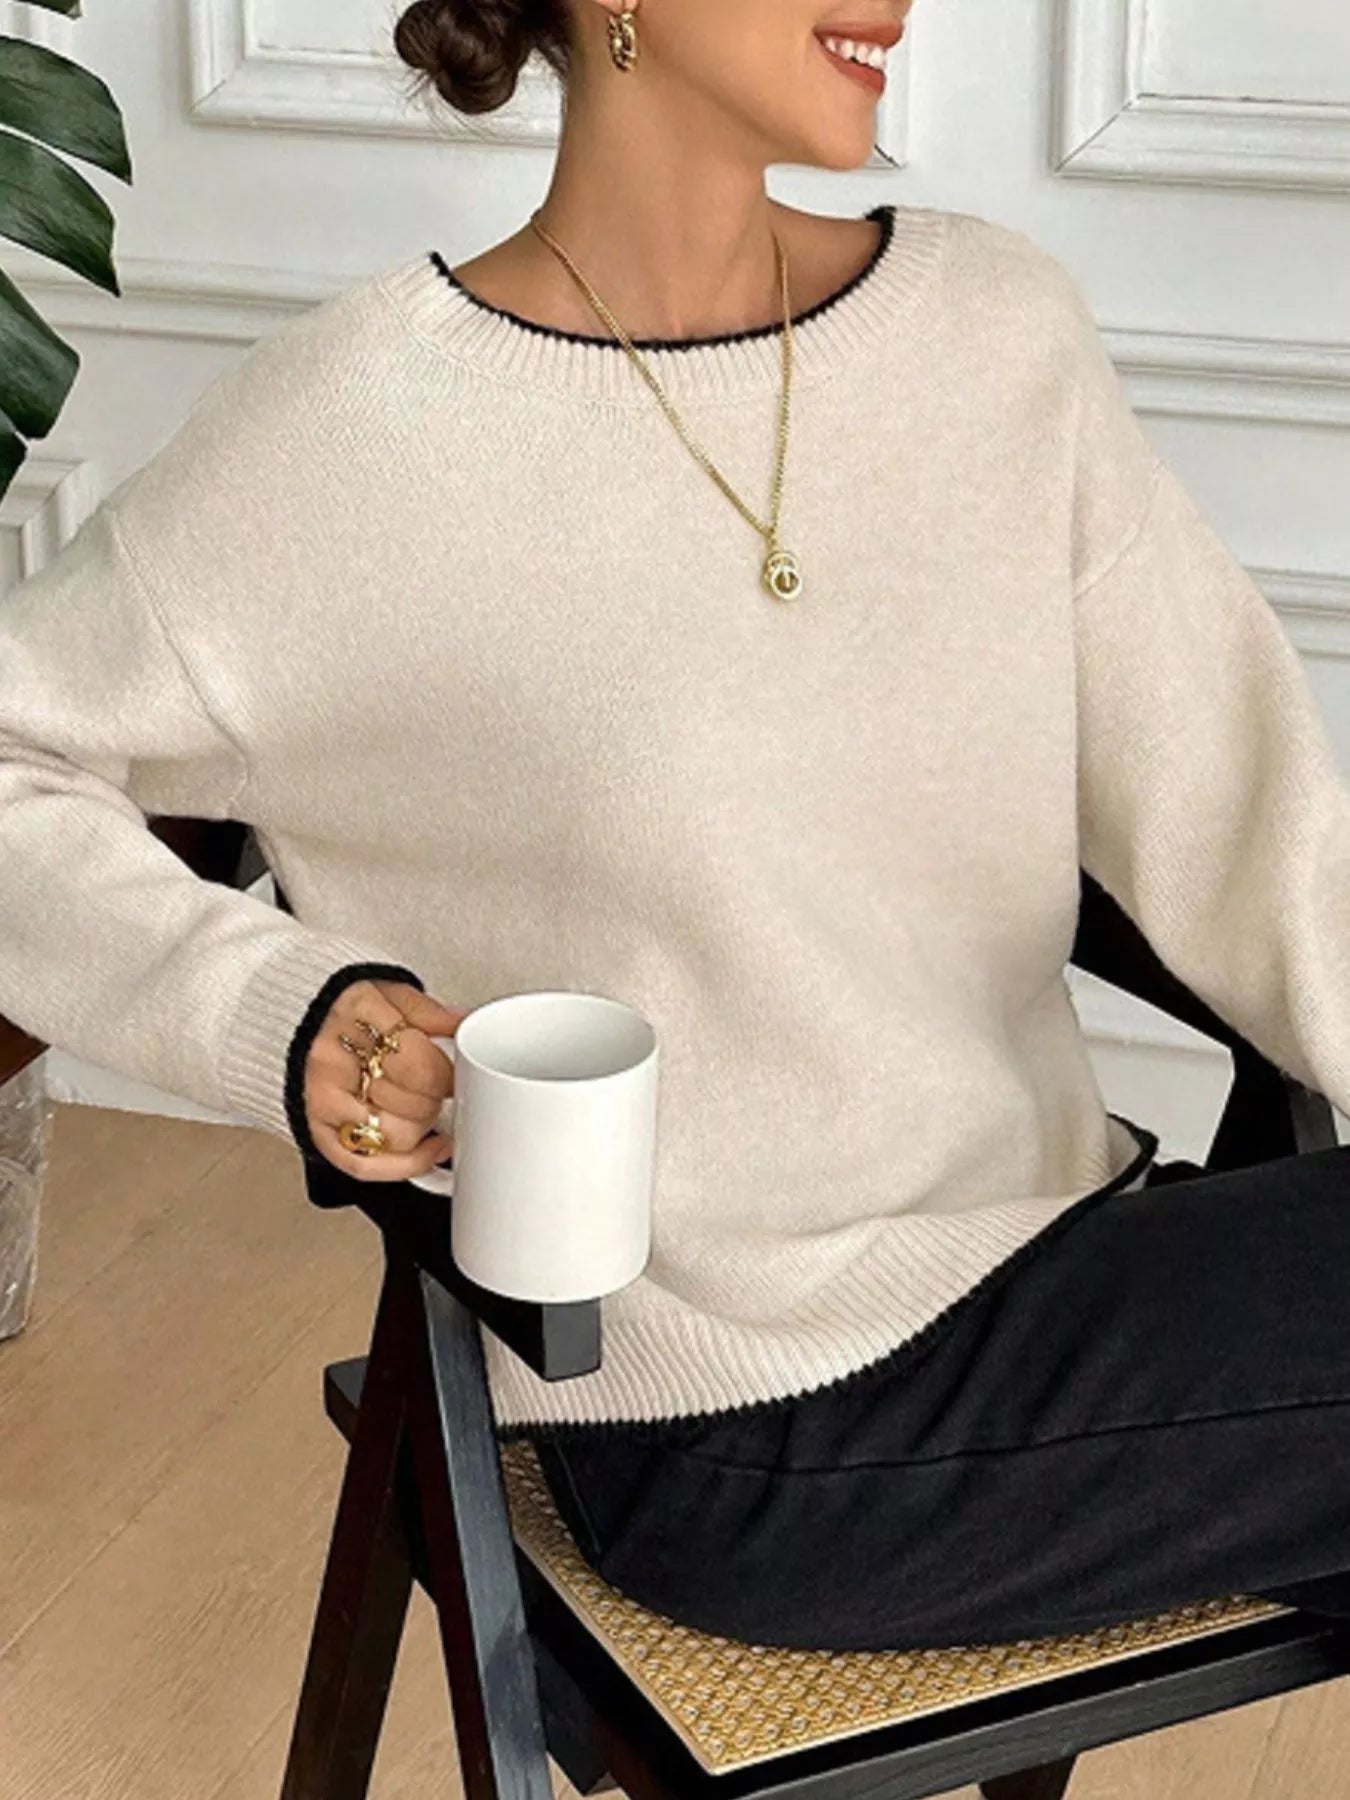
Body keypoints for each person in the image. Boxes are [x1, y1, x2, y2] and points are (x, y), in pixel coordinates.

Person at [4, 0, 1350, 1652]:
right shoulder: (351, 433)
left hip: (1071, 1255)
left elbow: (1260, 832)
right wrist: (283, 1015)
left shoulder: (993, 333)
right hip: (737, 1412)